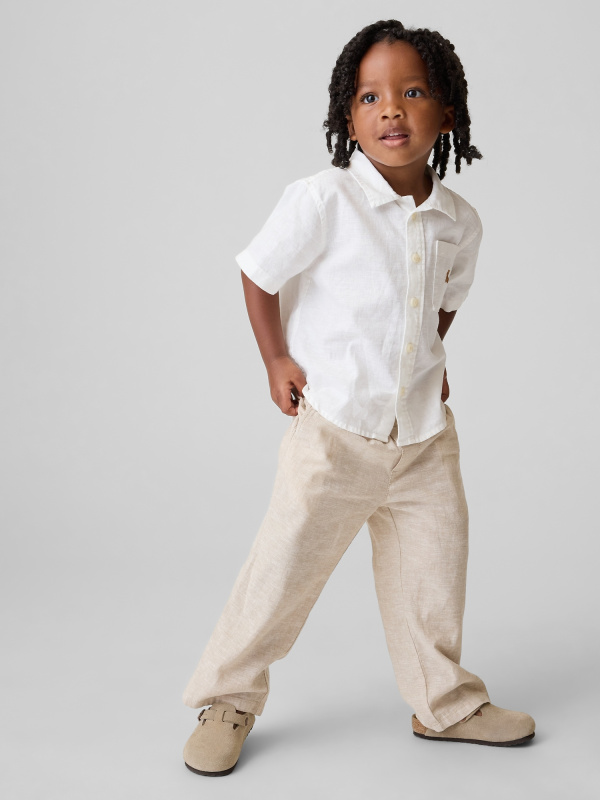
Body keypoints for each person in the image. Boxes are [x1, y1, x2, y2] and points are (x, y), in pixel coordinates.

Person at [181, 19, 536, 777]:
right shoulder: (325, 198)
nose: (391, 110)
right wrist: (276, 357)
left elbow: (443, 300)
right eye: (370, 97)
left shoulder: (460, 222)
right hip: (335, 434)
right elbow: (259, 272)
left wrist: (430, 355)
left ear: (447, 112)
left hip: (423, 439)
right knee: (282, 571)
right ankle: (228, 697)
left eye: (413, 92)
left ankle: (444, 703)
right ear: (348, 117)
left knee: (434, 574)